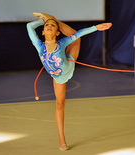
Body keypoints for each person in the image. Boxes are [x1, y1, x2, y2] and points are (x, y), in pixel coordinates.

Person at [27, 12, 112, 150]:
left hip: (70, 60)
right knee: (60, 104)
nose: (49, 26)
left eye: (52, 25)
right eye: (47, 25)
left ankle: (55, 19)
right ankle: (61, 137)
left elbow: (80, 33)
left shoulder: (62, 42)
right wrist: (44, 19)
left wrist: (96, 27)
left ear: (57, 32)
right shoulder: (39, 45)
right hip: (58, 78)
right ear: (42, 31)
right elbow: (29, 26)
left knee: (76, 38)